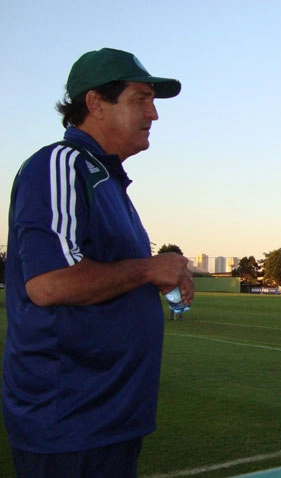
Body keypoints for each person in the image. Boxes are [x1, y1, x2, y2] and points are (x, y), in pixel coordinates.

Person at [3, 48, 193, 477]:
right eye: (140, 99)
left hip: (109, 421)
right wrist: (147, 269)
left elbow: (104, 273)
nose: (154, 114)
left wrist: (158, 277)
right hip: (70, 423)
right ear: (95, 104)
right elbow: (49, 283)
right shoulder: (61, 165)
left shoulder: (107, 181)